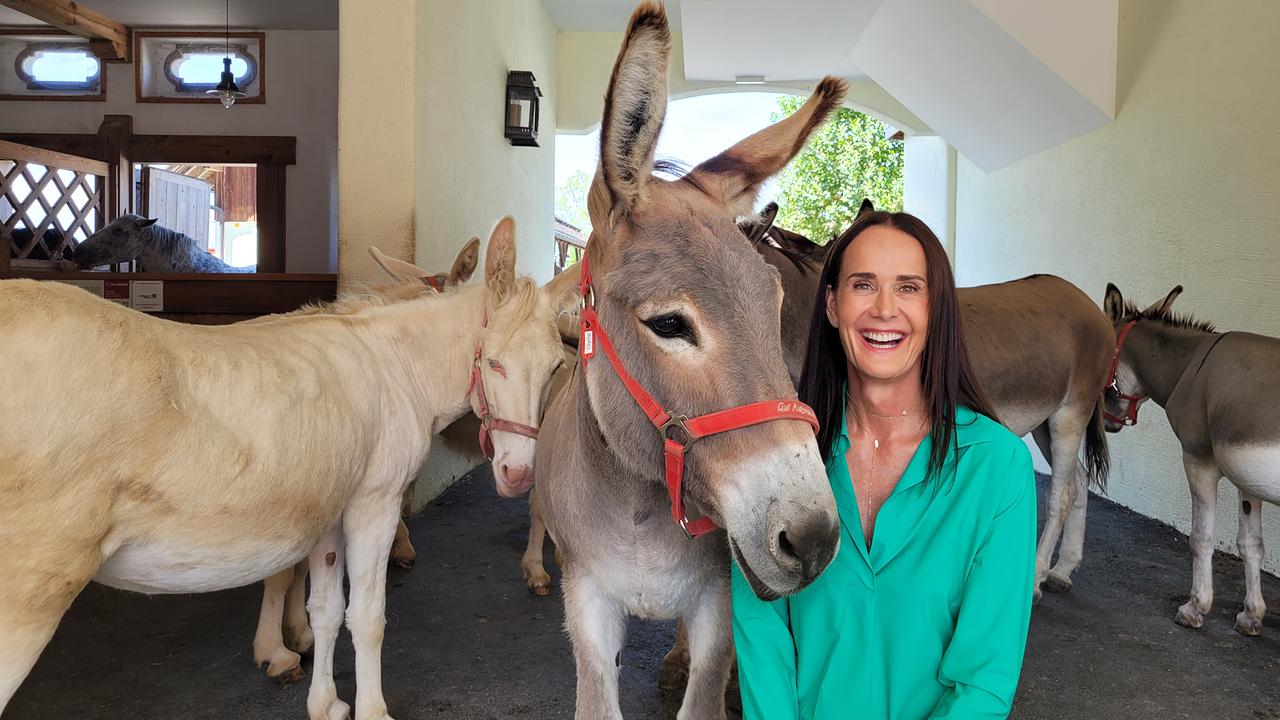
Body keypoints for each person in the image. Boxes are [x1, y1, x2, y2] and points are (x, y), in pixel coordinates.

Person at [732, 208, 1036, 719]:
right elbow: (763, 643)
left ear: (935, 308)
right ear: (832, 305)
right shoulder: (771, 463)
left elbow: (983, 681)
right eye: (863, 284)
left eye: (909, 288)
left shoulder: (999, 469)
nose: (885, 309)